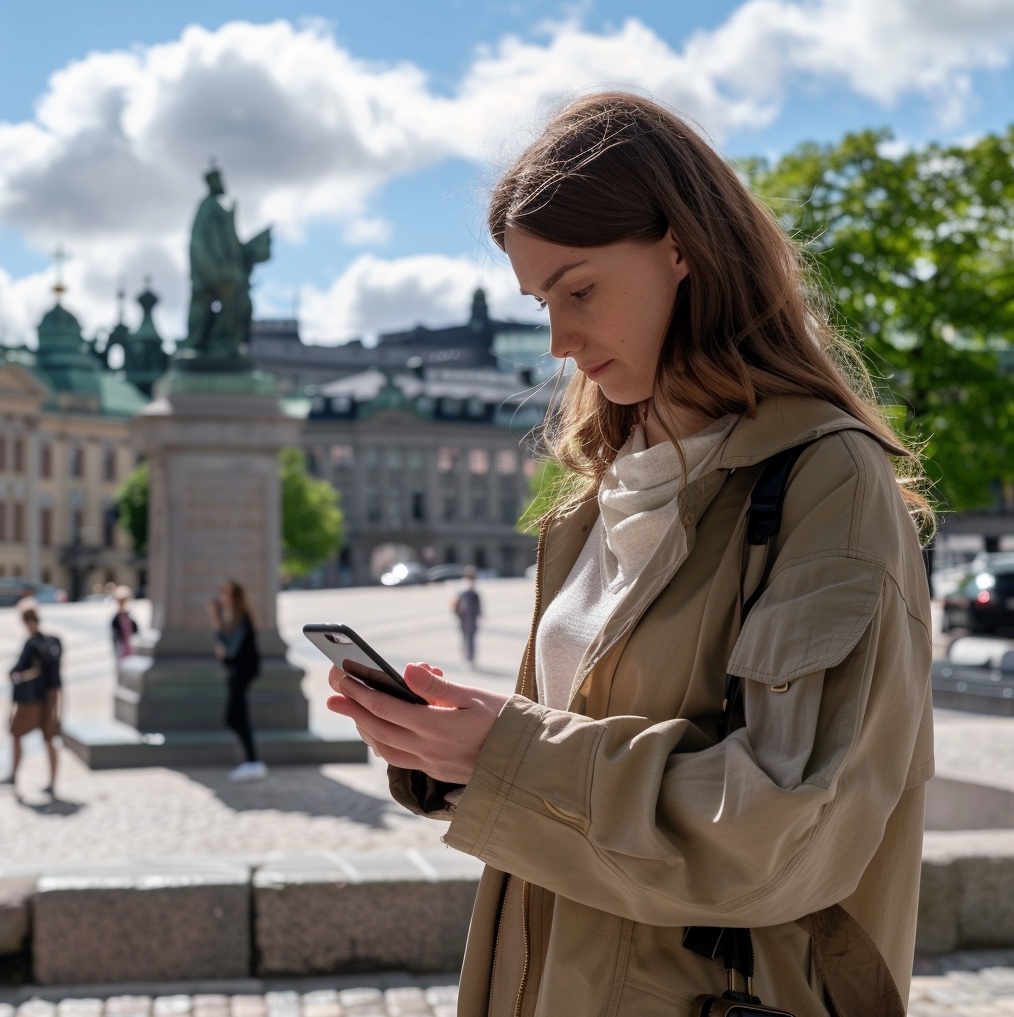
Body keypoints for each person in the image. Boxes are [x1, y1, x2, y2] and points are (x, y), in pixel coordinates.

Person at [326, 92, 934, 1017]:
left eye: (581, 290)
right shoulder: (595, 498)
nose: (561, 342)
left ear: (683, 248)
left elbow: (783, 825)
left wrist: (508, 752)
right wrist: (451, 753)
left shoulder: (829, 480)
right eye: (543, 304)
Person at [4, 601, 63, 795]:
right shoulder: (52, 641)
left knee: (16, 733)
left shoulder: (32, 643)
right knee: (49, 739)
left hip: (31, 701)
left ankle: (13, 775)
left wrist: (14, 674)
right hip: (50, 698)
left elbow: (18, 669)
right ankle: (53, 783)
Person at [209, 579, 265, 781]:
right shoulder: (235, 618)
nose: (221, 597)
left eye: (225, 593)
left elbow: (230, 650)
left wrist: (216, 622)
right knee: (235, 717)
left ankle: (253, 761)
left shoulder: (241, 618)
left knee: (236, 716)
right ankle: (251, 761)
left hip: (242, 672)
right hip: (238, 672)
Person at [453, 566, 482, 667]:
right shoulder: (467, 587)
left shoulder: (463, 587)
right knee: (469, 638)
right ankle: (468, 656)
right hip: (467, 617)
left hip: (467, 617)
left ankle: (468, 656)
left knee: (467, 638)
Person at [110, 585, 139, 660]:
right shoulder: (117, 618)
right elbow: (115, 635)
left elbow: (135, 630)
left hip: (129, 645)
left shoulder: (128, 616)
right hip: (121, 646)